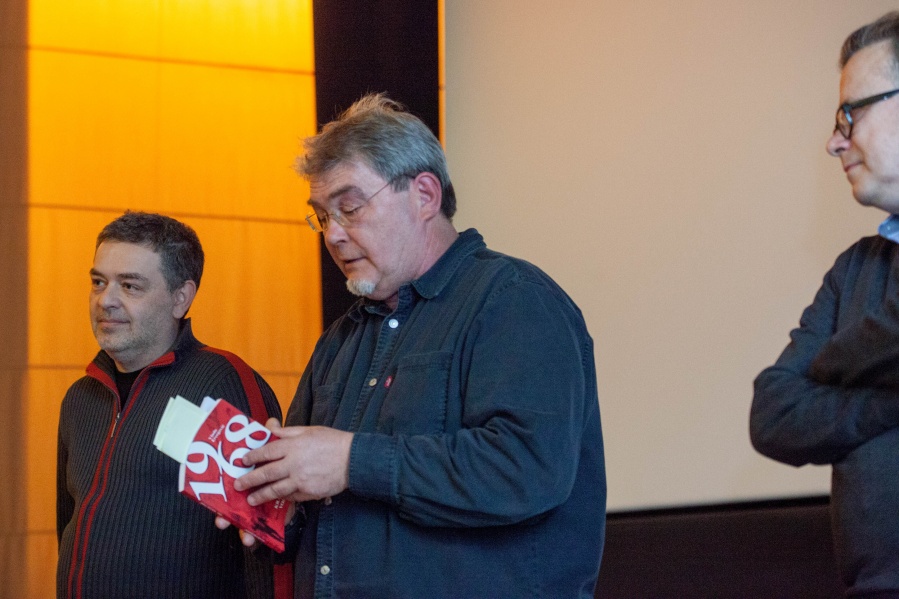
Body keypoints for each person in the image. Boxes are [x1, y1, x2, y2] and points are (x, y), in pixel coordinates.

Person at [227, 93, 607, 598]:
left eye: (350, 208)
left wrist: (350, 461)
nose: (333, 235)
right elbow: (321, 508)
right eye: (322, 217)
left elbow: (526, 469)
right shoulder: (340, 340)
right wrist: (274, 504)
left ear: (425, 195)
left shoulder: (514, 300)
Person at [57, 211, 283, 598]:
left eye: (130, 286)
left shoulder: (221, 384)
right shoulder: (81, 397)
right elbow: (67, 526)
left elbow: (264, 543)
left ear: (181, 298)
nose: (105, 300)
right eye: (98, 282)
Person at [751, 12, 899, 597]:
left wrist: (835, 371)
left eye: (850, 114)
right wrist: (889, 401)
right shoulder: (854, 269)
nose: (835, 141)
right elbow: (775, 414)